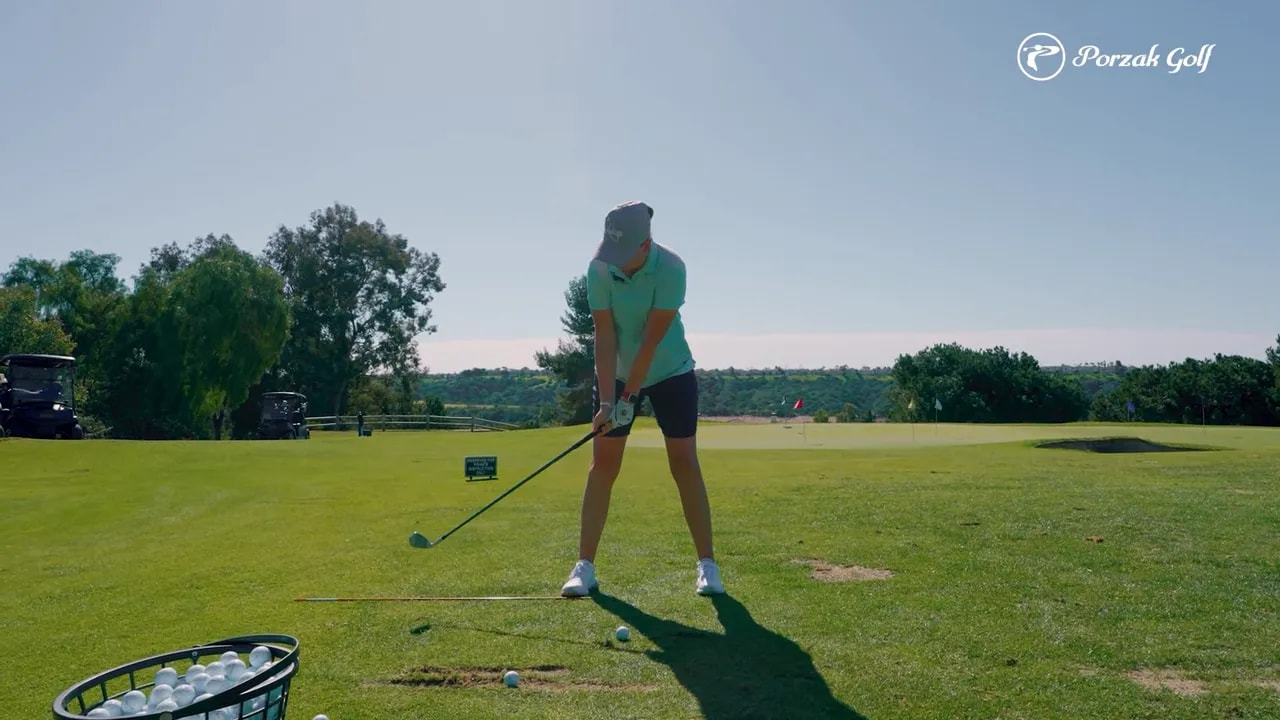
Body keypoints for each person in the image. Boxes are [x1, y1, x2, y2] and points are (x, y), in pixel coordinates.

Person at [560, 201, 724, 598]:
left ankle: (707, 565)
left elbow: (651, 340)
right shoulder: (599, 268)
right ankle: (585, 566)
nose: (615, 262)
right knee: (603, 464)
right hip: (615, 372)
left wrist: (629, 396)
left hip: (671, 371)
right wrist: (606, 402)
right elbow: (604, 334)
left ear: (645, 246)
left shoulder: (671, 269)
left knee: (684, 462)